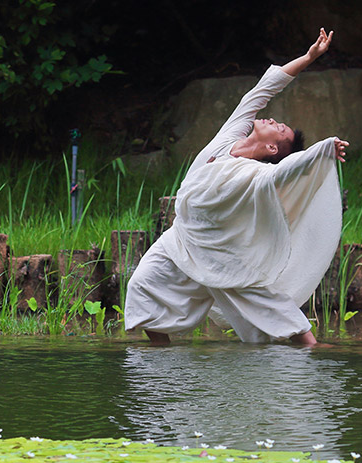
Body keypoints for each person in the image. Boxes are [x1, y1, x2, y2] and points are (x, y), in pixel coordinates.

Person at [125, 28, 349, 346]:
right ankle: (160, 354)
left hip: (220, 249)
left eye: (279, 129)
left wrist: (322, 150)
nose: (273, 121)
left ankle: (312, 349)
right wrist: (309, 57)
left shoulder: (258, 176)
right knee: (142, 287)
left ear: (272, 149)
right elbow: (261, 91)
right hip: (183, 237)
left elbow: (287, 171)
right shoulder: (230, 137)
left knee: (270, 305)